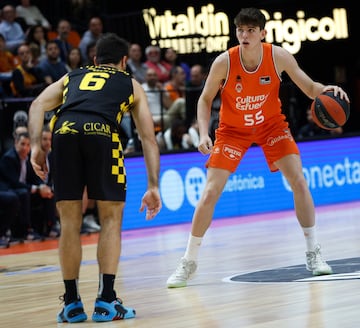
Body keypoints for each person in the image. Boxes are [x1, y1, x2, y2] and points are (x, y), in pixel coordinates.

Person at [166, 7, 350, 288]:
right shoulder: (224, 62)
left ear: (263, 33)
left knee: (299, 181)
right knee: (210, 192)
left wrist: (329, 90)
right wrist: (203, 133)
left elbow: (310, 88)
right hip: (232, 131)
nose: (244, 35)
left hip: (271, 126)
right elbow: (204, 100)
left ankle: (313, 253)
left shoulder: (278, 56)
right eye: (240, 30)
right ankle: (188, 262)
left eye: (251, 30)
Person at [28, 33, 162, 323]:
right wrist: (153, 186)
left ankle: (72, 304)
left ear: (94, 59)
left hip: (63, 133)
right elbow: (148, 140)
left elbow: (37, 104)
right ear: (124, 61)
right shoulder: (130, 82)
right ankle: (107, 302)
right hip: (102, 133)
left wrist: (37, 146)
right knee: (111, 218)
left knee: (69, 223)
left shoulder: (72, 76)